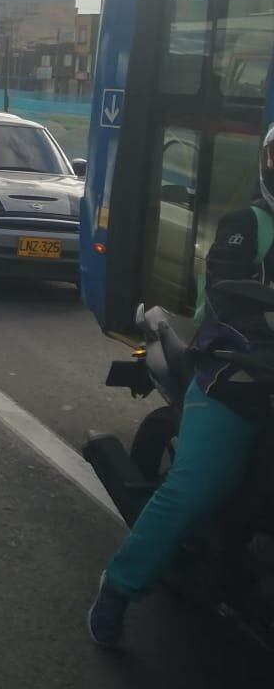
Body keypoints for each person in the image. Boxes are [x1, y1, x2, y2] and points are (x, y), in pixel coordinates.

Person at [88, 122, 274, 646]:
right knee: (199, 484)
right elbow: (230, 299)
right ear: (265, 162)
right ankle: (119, 588)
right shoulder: (248, 226)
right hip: (235, 380)